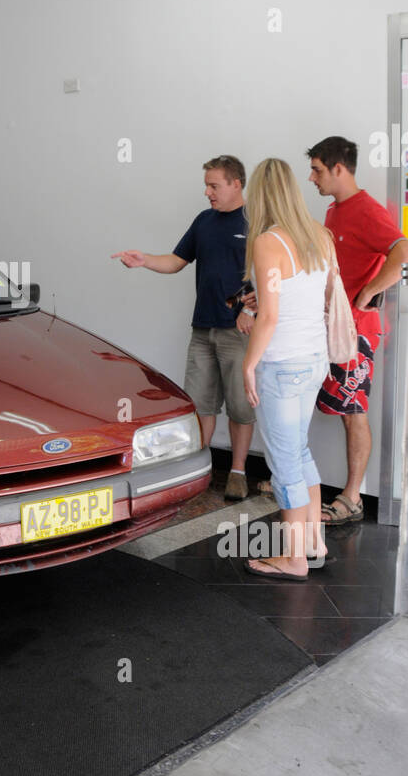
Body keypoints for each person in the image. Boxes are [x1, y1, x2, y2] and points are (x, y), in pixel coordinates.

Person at [114, 155, 254, 499]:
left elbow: (269, 276)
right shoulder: (203, 221)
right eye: (206, 185)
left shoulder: (256, 222)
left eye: (214, 185)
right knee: (200, 404)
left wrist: (254, 309)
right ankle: (198, 469)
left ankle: (237, 472)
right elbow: (177, 261)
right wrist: (145, 260)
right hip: (203, 330)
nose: (207, 192)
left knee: (240, 406)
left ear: (236, 183)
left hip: (240, 333)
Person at [241, 158, 334, 580]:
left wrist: (248, 363)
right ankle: (313, 544)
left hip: (281, 365)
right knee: (299, 451)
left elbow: (272, 317)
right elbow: (311, 296)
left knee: (284, 464)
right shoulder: (320, 235)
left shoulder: (267, 241)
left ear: (260, 195)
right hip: (315, 359)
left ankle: (294, 560)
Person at [307, 136, 408, 524]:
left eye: (317, 169)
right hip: (332, 325)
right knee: (336, 408)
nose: (312, 177)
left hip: (359, 331)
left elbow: (401, 248)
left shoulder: (366, 209)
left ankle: (352, 498)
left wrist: (369, 290)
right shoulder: (334, 212)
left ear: (338, 169)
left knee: (354, 412)